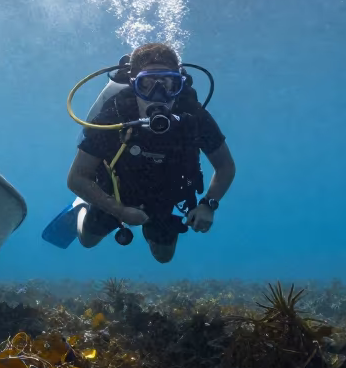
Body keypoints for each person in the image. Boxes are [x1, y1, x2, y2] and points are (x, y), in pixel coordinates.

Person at [66, 43, 236, 263]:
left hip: (164, 197)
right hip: (113, 192)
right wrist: (120, 211)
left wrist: (208, 204)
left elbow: (225, 166)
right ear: (133, 85)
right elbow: (77, 177)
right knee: (87, 241)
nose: (158, 95)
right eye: (146, 84)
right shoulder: (115, 114)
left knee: (164, 257)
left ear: (179, 84)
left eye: (168, 84)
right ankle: (80, 206)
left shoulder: (194, 117)